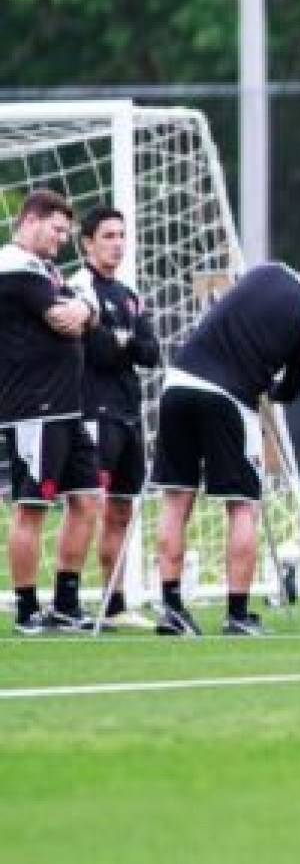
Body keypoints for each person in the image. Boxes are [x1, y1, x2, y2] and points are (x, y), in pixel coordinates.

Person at [151, 260, 300, 636]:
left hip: (177, 382)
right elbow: (291, 389)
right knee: (243, 505)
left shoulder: (268, 271)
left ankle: (172, 608)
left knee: (176, 500)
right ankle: (237, 614)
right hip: (229, 397)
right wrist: (268, 389)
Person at [3, 190, 103, 635]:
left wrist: (85, 306)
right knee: (32, 507)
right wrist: (81, 308)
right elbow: (63, 317)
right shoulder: (14, 266)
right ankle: (26, 609)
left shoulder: (44, 269)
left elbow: (83, 310)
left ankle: (65, 603)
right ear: (31, 221)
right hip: (34, 406)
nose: (62, 240)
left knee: (86, 501)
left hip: (67, 406)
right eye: (57, 230)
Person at [70, 206, 163, 631]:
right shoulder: (79, 286)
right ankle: (66, 599)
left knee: (122, 511)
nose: (118, 243)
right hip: (95, 410)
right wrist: (122, 341)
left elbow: (150, 352)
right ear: (87, 242)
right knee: (89, 504)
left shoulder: (127, 293)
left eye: (122, 235)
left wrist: (121, 338)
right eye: (108, 235)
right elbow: (98, 351)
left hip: (129, 411)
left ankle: (115, 602)